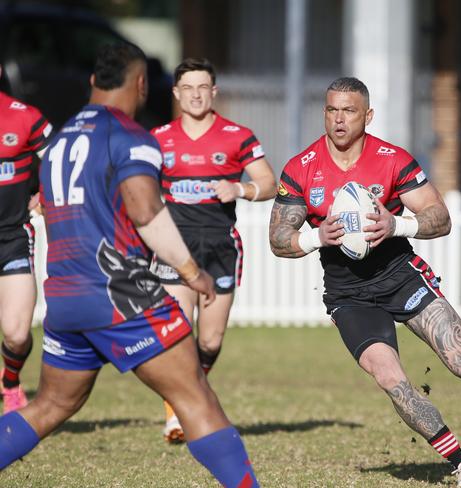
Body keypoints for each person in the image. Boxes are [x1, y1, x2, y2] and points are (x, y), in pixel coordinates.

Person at [0, 43, 259, 487]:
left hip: (66, 300)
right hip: (121, 295)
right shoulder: (131, 135)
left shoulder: (60, 139)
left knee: (51, 406)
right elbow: (145, 211)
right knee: (197, 399)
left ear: (92, 83)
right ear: (141, 84)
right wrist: (191, 272)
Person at [269, 76, 461, 488]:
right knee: (392, 380)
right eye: (332, 110)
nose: (339, 119)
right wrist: (315, 237)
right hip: (348, 294)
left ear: (367, 116)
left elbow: (441, 218)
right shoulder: (301, 167)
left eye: (349, 111)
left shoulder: (392, 160)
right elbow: (278, 239)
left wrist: (397, 223)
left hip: (400, 276)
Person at [150, 57, 276, 443]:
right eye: (187, 88)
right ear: (176, 93)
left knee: (209, 341)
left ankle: (194, 392)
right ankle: (176, 412)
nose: (195, 95)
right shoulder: (158, 138)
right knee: (178, 333)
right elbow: (137, 187)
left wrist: (240, 189)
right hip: (175, 246)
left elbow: (269, 184)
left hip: (220, 245)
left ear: (214, 91)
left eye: (202, 87)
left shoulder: (237, 136)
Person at [0, 65, 53, 413]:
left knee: (18, 334)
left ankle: (11, 383)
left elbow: (56, 159)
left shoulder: (24, 117)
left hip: (12, 236)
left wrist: (44, 196)